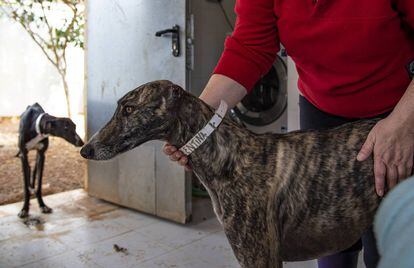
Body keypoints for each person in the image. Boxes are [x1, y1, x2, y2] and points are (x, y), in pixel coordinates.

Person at [164, 0, 414, 267]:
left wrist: (403, 123)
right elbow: (249, 47)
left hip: (398, 110)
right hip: (323, 112)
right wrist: (195, 122)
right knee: (331, 247)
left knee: (389, 244)